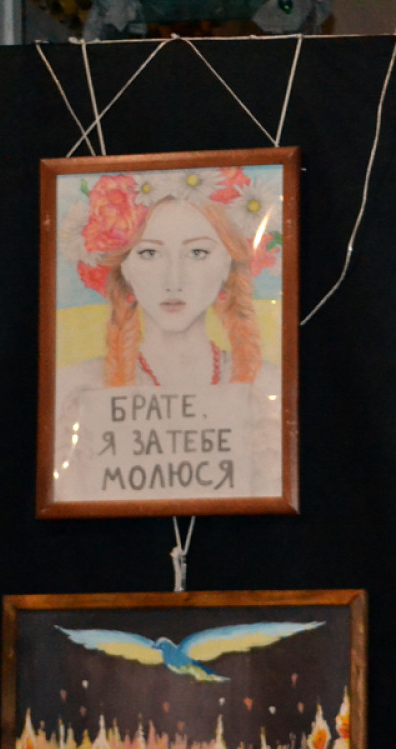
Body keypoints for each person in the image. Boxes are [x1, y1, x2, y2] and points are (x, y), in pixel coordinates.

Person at [52, 167, 283, 500]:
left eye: (198, 253)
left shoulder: (270, 390)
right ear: (124, 267)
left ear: (227, 264)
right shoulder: (74, 392)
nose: (174, 280)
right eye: (150, 253)